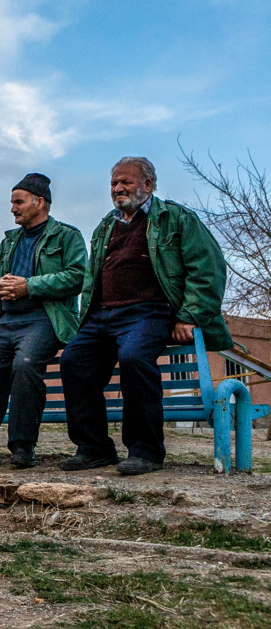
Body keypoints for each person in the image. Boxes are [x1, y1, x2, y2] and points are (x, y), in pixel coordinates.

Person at [58, 157, 232, 475]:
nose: (118, 188)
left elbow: (207, 268)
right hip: (103, 315)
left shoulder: (175, 218)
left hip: (150, 311)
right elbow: (91, 278)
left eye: (126, 181)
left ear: (148, 185)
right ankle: (94, 448)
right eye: (114, 183)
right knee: (73, 361)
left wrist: (190, 315)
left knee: (135, 358)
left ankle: (146, 451)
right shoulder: (104, 227)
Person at [0, 174, 86, 471]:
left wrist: (30, 286)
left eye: (18, 202)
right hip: (7, 319)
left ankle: (23, 446)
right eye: (12, 202)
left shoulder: (66, 236)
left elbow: (78, 276)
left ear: (40, 202)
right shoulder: (9, 241)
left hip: (45, 318)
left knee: (24, 365)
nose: (12, 208)